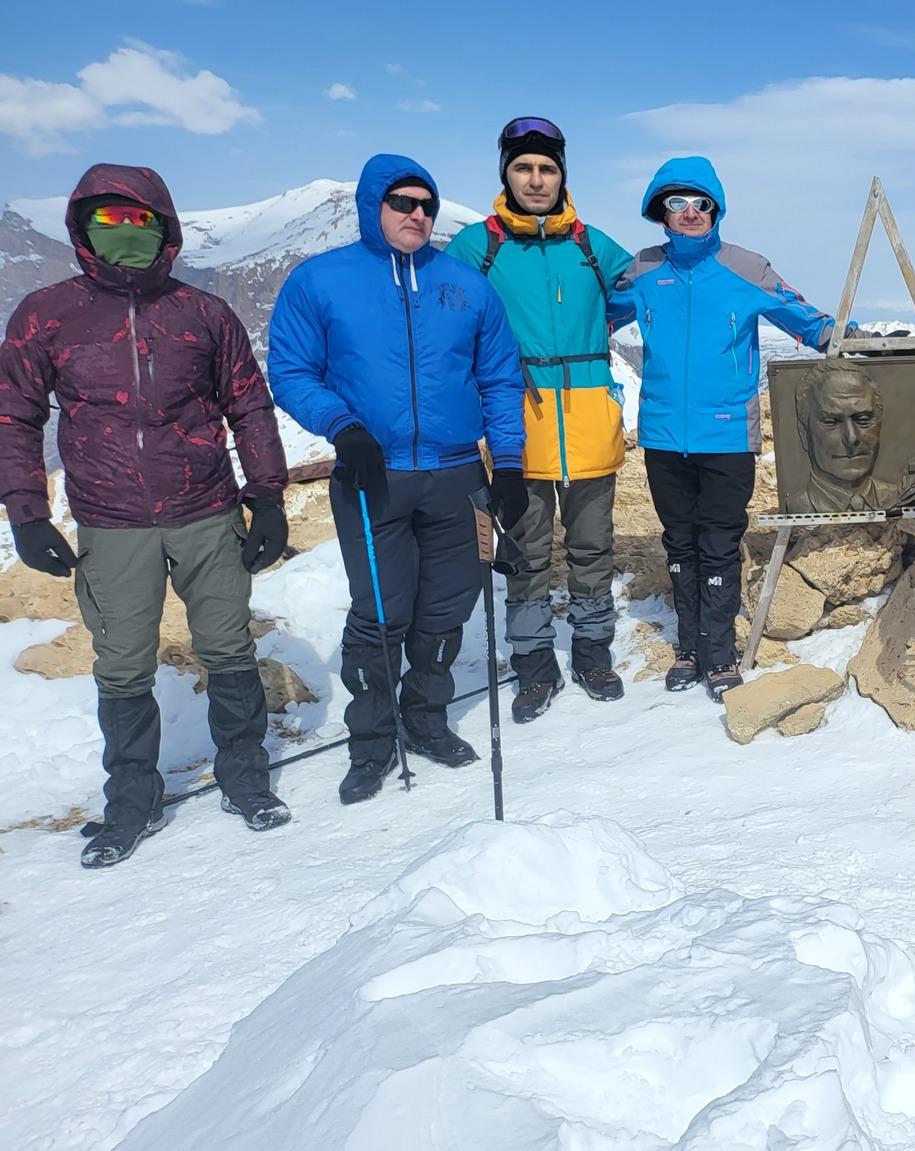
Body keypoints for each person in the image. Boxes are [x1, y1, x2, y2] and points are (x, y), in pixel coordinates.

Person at [1, 163, 292, 867]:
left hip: (206, 509)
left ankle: (245, 776)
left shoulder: (203, 313)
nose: (127, 231)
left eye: (141, 219)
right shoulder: (46, 314)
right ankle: (132, 799)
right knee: (124, 664)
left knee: (227, 647)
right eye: (110, 219)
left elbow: (249, 406)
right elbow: (14, 415)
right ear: (83, 226)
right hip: (110, 520)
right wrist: (27, 513)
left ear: (166, 228)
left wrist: (267, 496)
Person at [268, 154, 526, 805]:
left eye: (426, 204)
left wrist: (510, 464)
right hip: (371, 473)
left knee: (447, 606)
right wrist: (342, 425)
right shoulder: (321, 281)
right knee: (382, 612)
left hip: (458, 472)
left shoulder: (465, 286)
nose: (417, 214)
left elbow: (500, 377)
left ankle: (426, 719)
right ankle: (372, 739)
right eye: (402, 202)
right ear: (372, 206)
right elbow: (292, 369)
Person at [609, 156, 844, 701]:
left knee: (717, 544)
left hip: (727, 435)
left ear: (716, 210)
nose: (690, 212)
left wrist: (857, 340)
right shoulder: (643, 270)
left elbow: (807, 321)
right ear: (660, 211)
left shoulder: (747, 267)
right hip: (663, 433)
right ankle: (688, 648)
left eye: (701, 203)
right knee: (679, 543)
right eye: (677, 203)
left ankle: (718, 653)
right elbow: (591, 319)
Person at [445, 117, 635, 725]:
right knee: (524, 553)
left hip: (590, 425)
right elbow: (442, 319)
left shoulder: (592, 245)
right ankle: (533, 665)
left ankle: (592, 655)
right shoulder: (476, 246)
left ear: (562, 176)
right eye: (523, 168)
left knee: (592, 547)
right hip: (516, 426)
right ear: (506, 174)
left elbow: (644, 292)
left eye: (547, 169)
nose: (535, 180)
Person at [785, 360, 915, 514]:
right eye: (831, 422)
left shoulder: (901, 496)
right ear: (803, 432)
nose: (852, 438)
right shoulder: (796, 506)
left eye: (863, 420)